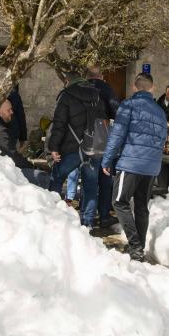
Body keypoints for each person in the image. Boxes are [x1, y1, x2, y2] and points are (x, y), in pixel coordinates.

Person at [101, 73, 167, 262]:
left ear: (134, 87)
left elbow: (117, 135)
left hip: (131, 163)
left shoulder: (128, 105)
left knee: (119, 202)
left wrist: (107, 160)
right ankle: (139, 247)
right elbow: (162, 139)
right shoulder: (160, 111)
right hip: (151, 166)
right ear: (152, 88)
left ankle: (136, 246)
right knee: (141, 206)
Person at [47, 71, 107, 228]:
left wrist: (53, 147)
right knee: (91, 185)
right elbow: (102, 121)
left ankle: (52, 216)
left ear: (68, 81)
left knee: (57, 178)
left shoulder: (66, 95)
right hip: (93, 147)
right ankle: (87, 222)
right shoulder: (97, 95)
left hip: (72, 148)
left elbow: (59, 124)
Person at [0, 98, 48, 187]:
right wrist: (31, 166)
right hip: (0, 171)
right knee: (42, 177)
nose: (12, 112)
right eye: (8, 110)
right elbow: (11, 156)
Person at [86, 66, 120, 226]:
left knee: (88, 180)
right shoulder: (105, 88)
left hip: (84, 140)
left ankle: (88, 217)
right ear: (101, 76)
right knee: (105, 179)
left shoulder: (80, 88)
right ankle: (104, 216)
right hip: (102, 137)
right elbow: (116, 110)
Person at [7, 85, 27, 150]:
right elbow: (21, 117)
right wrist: (22, 138)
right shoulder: (14, 95)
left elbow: (21, 116)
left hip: (9, 130)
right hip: (10, 130)